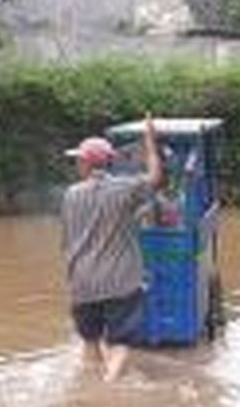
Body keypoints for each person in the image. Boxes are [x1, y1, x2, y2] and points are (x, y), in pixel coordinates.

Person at [60, 115, 163, 382]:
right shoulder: (123, 190)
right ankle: (109, 388)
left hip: (82, 284)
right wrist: (150, 142)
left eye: (78, 160)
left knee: (90, 342)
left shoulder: (70, 195)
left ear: (86, 163)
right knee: (120, 342)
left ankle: (90, 391)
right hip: (120, 283)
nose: (76, 164)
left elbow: (70, 239)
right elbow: (155, 177)